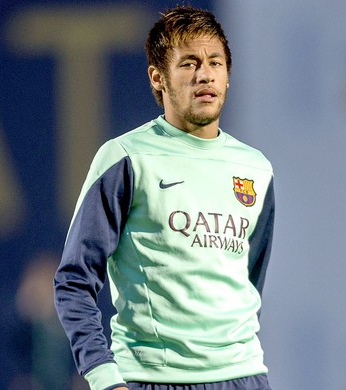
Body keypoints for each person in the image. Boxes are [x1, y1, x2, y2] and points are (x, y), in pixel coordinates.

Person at [54, 6, 274, 390]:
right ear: (158, 77)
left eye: (215, 62)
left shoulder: (256, 169)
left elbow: (248, 281)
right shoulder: (126, 158)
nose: (205, 74)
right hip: (153, 379)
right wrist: (104, 376)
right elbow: (73, 280)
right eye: (189, 63)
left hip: (243, 379)